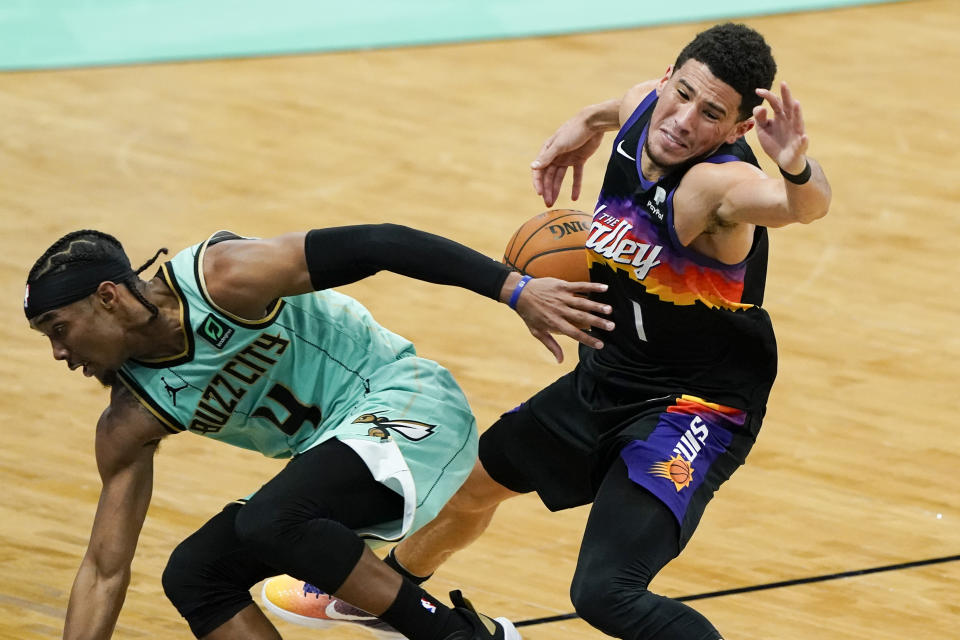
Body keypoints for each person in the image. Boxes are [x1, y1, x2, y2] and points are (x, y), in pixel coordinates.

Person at [265, 23, 831, 640]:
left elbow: (802, 206)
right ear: (667, 79)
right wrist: (584, 126)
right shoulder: (647, 103)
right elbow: (618, 107)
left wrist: (797, 166)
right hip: (611, 374)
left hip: (694, 408)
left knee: (605, 593)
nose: (683, 120)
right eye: (683, 93)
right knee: (469, 485)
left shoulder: (718, 187)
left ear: (738, 129)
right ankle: (384, 598)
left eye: (711, 113)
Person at [24, 223, 615, 640]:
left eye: (59, 328)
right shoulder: (131, 417)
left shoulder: (221, 280)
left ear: (107, 298)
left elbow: (383, 243)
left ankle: (454, 636)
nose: (57, 352)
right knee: (196, 573)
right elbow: (104, 569)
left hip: (406, 402)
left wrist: (514, 288)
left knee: (270, 519)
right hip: (335, 460)